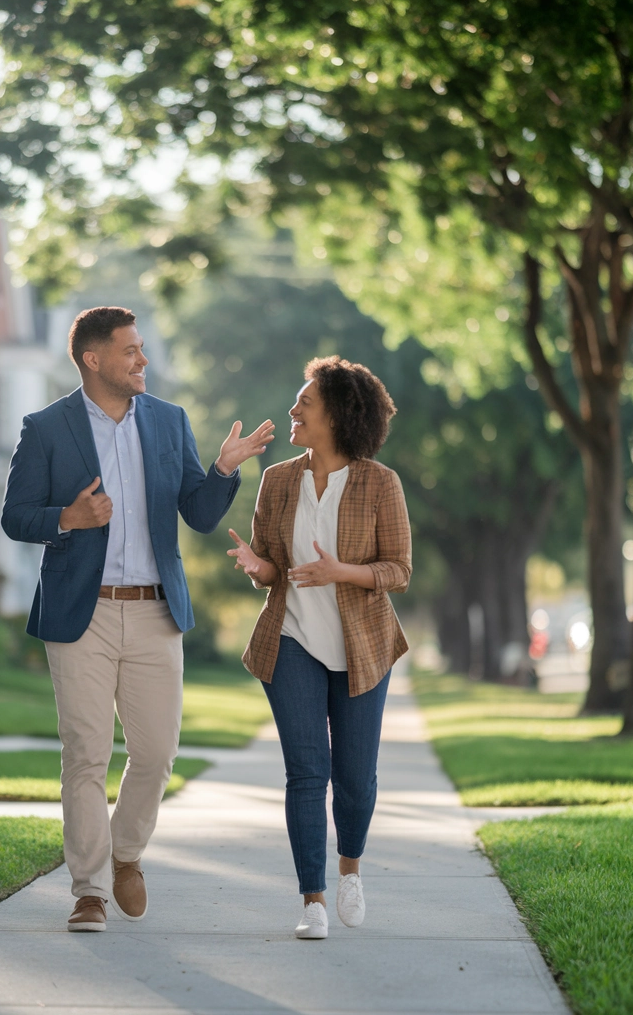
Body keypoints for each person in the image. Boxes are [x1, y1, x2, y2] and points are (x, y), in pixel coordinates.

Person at [1, 306, 274, 932]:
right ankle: (90, 889)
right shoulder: (47, 428)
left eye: (142, 348)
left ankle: (127, 855)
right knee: (86, 755)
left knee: (156, 753)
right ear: (94, 359)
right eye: (130, 351)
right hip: (82, 614)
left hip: (155, 610)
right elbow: (16, 517)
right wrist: (67, 519)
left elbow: (199, 516)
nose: (142, 361)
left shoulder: (170, 422)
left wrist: (225, 470)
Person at [227, 355, 411, 940]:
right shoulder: (278, 479)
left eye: (304, 403)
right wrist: (258, 566)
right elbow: (270, 564)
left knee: (355, 779)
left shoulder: (380, 483)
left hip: (363, 645)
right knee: (307, 773)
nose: (292, 412)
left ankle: (350, 867)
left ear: (338, 414)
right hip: (293, 641)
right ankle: (312, 900)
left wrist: (342, 572)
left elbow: (400, 570)